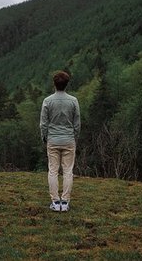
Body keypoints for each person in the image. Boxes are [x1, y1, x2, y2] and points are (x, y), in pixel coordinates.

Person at [40, 70, 81, 212]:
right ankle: (65, 202)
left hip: (53, 139)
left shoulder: (47, 101)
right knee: (68, 171)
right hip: (69, 140)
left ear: (54, 84)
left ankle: (55, 202)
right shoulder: (73, 101)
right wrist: (75, 137)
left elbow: (43, 124)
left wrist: (44, 137)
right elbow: (77, 124)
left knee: (53, 170)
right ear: (67, 84)